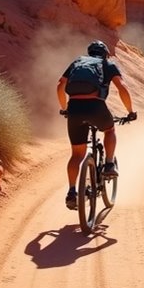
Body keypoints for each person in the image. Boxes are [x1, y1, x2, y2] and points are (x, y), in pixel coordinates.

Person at [58, 40, 136, 210]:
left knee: (76, 155)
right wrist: (130, 111)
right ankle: (109, 164)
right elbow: (122, 87)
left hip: (74, 109)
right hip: (96, 107)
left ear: (89, 52)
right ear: (105, 54)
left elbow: (60, 85)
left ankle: (72, 192)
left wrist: (64, 109)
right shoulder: (108, 64)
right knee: (109, 130)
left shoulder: (78, 62)